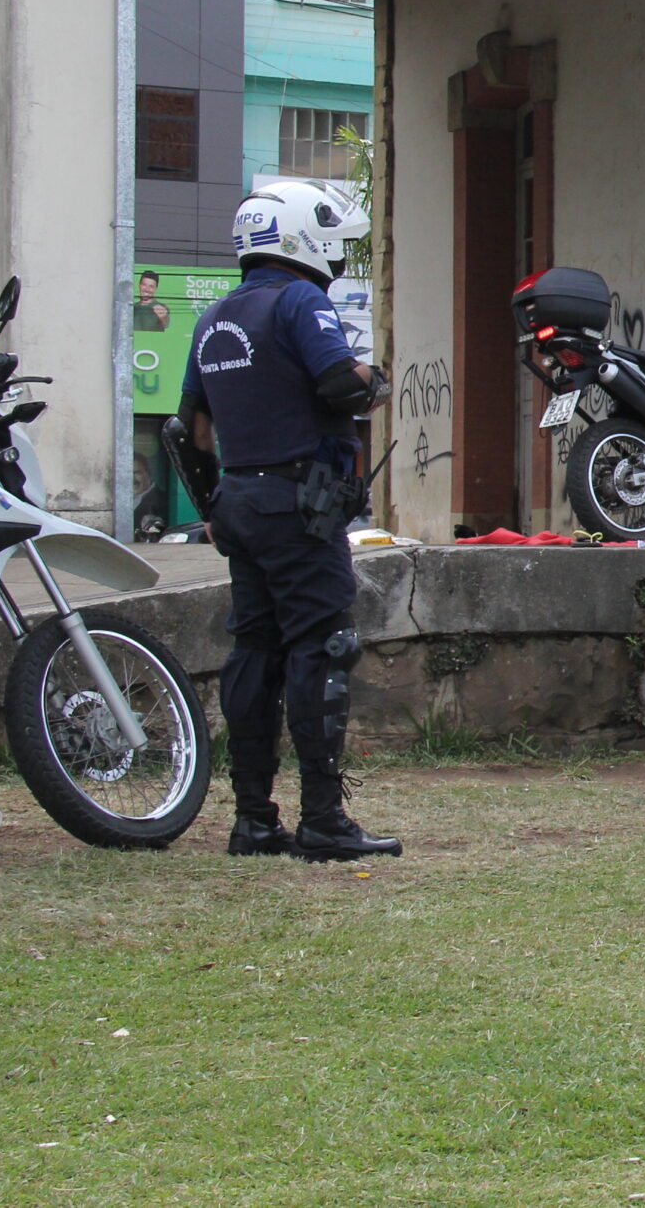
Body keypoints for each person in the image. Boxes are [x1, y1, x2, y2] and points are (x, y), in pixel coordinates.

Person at [176, 182, 396, 861]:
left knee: (255, 649)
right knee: (321, 644)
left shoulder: (215, 317)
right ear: (302, 235)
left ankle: (253, 819)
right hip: (299, 499)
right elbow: (339, 383)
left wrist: (215, 504)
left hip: (241, 501)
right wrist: (375, 377)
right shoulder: (301, 300)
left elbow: (189, 430)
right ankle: (325, 818)